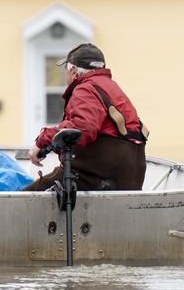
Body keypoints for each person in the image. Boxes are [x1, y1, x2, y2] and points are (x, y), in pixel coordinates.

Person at [25, 43, 148, 191]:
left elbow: (81, 129)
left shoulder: (86, 88)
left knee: (26, 197)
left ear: (74, 71)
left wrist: (42, 140)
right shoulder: (110, 87)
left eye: (66, 70)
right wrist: (53, 145)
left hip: (95, 177)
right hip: (128, 179)